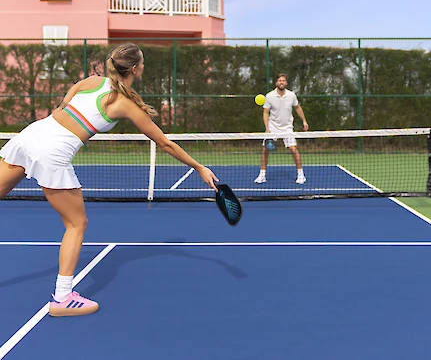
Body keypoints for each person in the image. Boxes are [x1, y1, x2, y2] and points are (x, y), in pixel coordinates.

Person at [0, 42, 218, 317]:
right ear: (136, 69)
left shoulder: (91, 81)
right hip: (52, 152)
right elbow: (165, 144)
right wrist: (199, 167)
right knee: (76, 224)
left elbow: (64, 105)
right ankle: (62, 298)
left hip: (30, 135)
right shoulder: (124, 104)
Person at [254, 73, 309, 185]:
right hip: (273, 127)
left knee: (294, 150)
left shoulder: (291, 95)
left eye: (283, 80)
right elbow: (265, 112)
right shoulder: (269, 96)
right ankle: (262, 175)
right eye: (279, 80)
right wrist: (267, 128)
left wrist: (304, 121)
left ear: (286, 83)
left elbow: (297, 107)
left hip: (287, 127)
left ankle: (300, 175)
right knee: (265, 150)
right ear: (276, 83)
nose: (281, 82)